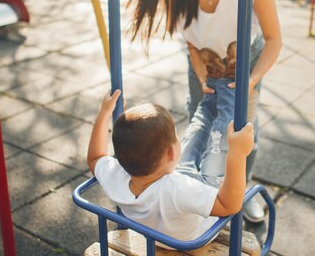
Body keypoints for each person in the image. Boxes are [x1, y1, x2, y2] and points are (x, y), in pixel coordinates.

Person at [128, 0, 282, 222]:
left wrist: (252, 79)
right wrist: (201, 73)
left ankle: (241, 189)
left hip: (245, 59)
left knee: (241, 128)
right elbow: (192, 45)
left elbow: (274, 38)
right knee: (200, 115)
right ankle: (192, 185)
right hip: (205, 62)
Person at [87, 89, 255, 243]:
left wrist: (104, 113)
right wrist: (238, 154)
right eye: (175, 136)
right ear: (171, 153)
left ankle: (214, 94)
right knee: (220, 139)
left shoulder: (116, 177)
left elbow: (95, 157)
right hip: (196, 234)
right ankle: (226, 91)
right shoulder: (178, 188)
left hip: (163, 230)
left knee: (197, 135)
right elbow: (229, 204)